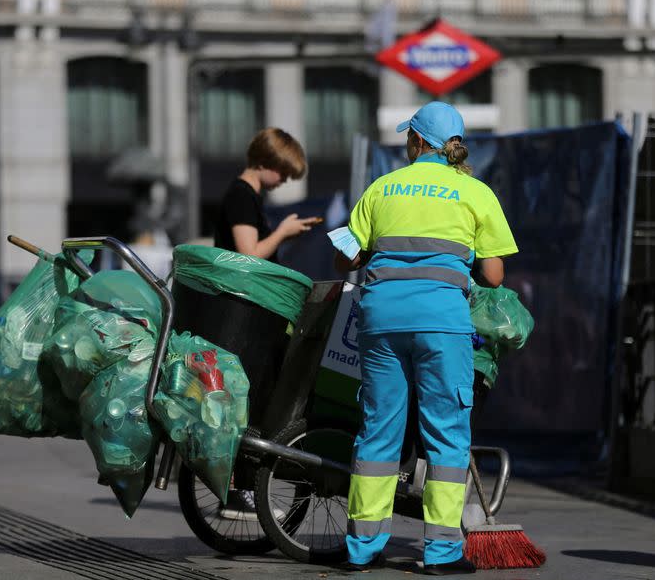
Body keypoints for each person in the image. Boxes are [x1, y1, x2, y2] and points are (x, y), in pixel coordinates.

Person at [333, 102, 518, 575]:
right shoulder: (474, 191)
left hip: (381, 321)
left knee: (378, 432)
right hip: (442, 324)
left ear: (416, 143)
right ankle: (440, 553)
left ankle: (361, 549)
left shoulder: (381, 187)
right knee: (446, 434)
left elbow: (345, 259)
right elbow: (494, 275)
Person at [214, 127, 320, 262]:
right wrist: (282, 233)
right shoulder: (241, 196)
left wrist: (284, 235)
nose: (285, 179)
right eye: (283, 172)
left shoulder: (247, 195)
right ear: (263, 162)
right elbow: (250, 256)